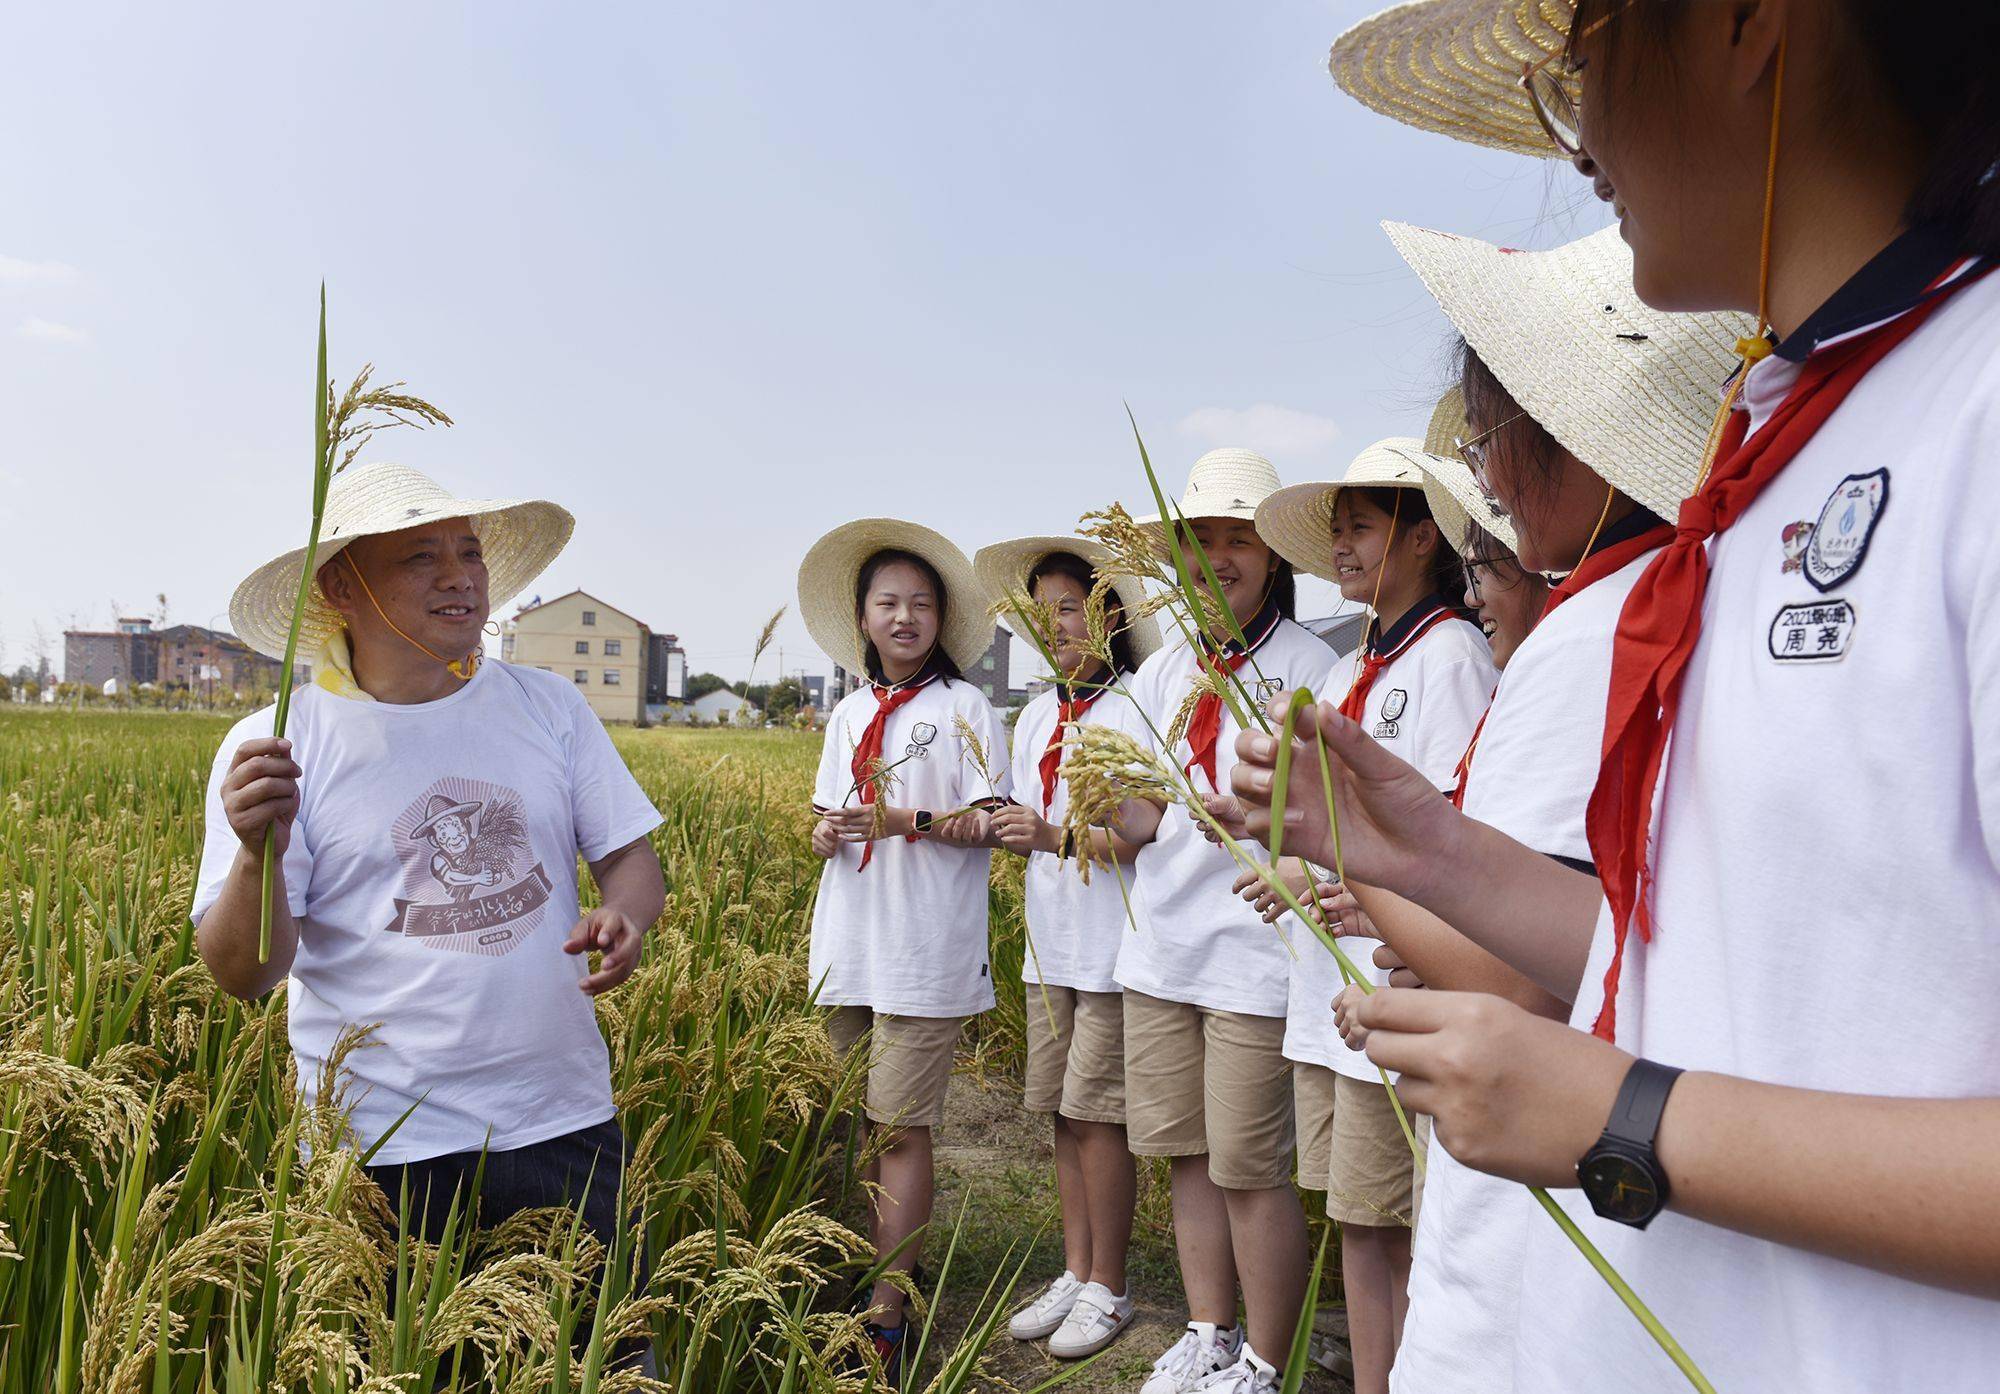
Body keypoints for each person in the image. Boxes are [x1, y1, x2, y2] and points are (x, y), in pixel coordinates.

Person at [1254, 4, 2000, 1389]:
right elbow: (1739, 956)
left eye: (1583, 49)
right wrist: (1440, 857)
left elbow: (1653, 1081)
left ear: (1747, 25)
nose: (1574, 121)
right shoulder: (1780, 458)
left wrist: (1624, 1117)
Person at [193, 463, 667, 1348]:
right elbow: (242, 973)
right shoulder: (279, 744)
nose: (461, 577)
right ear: (342, 584)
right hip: (382, 1146)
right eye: (422, 556)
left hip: (559, 1115)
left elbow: (632, 860)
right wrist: (257, 855)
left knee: (602, 1358)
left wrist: (627, 916)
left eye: (471, 552)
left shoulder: (546, 706)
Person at [1251, 424, 1494, 1394]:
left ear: (1421, 536)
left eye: (1358, 527)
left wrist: (1339, 879)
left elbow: (1451, 847)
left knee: (1395, 1221)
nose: (1341, 548)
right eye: (1337, 531)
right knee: (1357, 1214)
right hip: (1333, 994)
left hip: (1390, 988)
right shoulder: (1356, 666)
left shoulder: (1449, 662)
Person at [1101, 449, 1324, 1394]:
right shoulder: (1161, 674)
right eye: (1201, 542)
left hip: (1253, 957)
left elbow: (1323, 829)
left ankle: (1268, 1362)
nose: (1219, 559)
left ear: (1275, 556)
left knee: (1247, 1167)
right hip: (1163, 952)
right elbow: (1144, 818)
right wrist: (1096, 797)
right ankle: (1210, 1333)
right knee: (1185, 1156)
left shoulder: (1312, 670)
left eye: (1241, 538)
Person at [798, 519, 1010, 1382]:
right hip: (848, 944)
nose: (904, 617)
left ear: (941, 620)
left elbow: (994, 824)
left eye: (921, 604)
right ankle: (850, 1278)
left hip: (925, 950)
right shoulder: (848, 710)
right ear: (862, 617)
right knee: (842, 1124)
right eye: (888, 602)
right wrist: (824, 832)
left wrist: (903, 820)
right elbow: (824, 816)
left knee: (899, 1129)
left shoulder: (966, 710)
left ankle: (886, 1317)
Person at [974, 535, 1161, 1360]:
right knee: (1059, 1113)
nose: (1056, 625)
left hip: (1111, 951)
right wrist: (1007, 826)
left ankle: (1111, 1285)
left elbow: (1138, 832)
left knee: (1099, 1118)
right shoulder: (1041, 713)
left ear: (1111, 615)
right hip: (1051, 946)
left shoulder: (1134, 708)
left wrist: (1049, 834)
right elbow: (1023, 812)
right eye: (1042, 611)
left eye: (1071, 608)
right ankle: (1077, 1270)